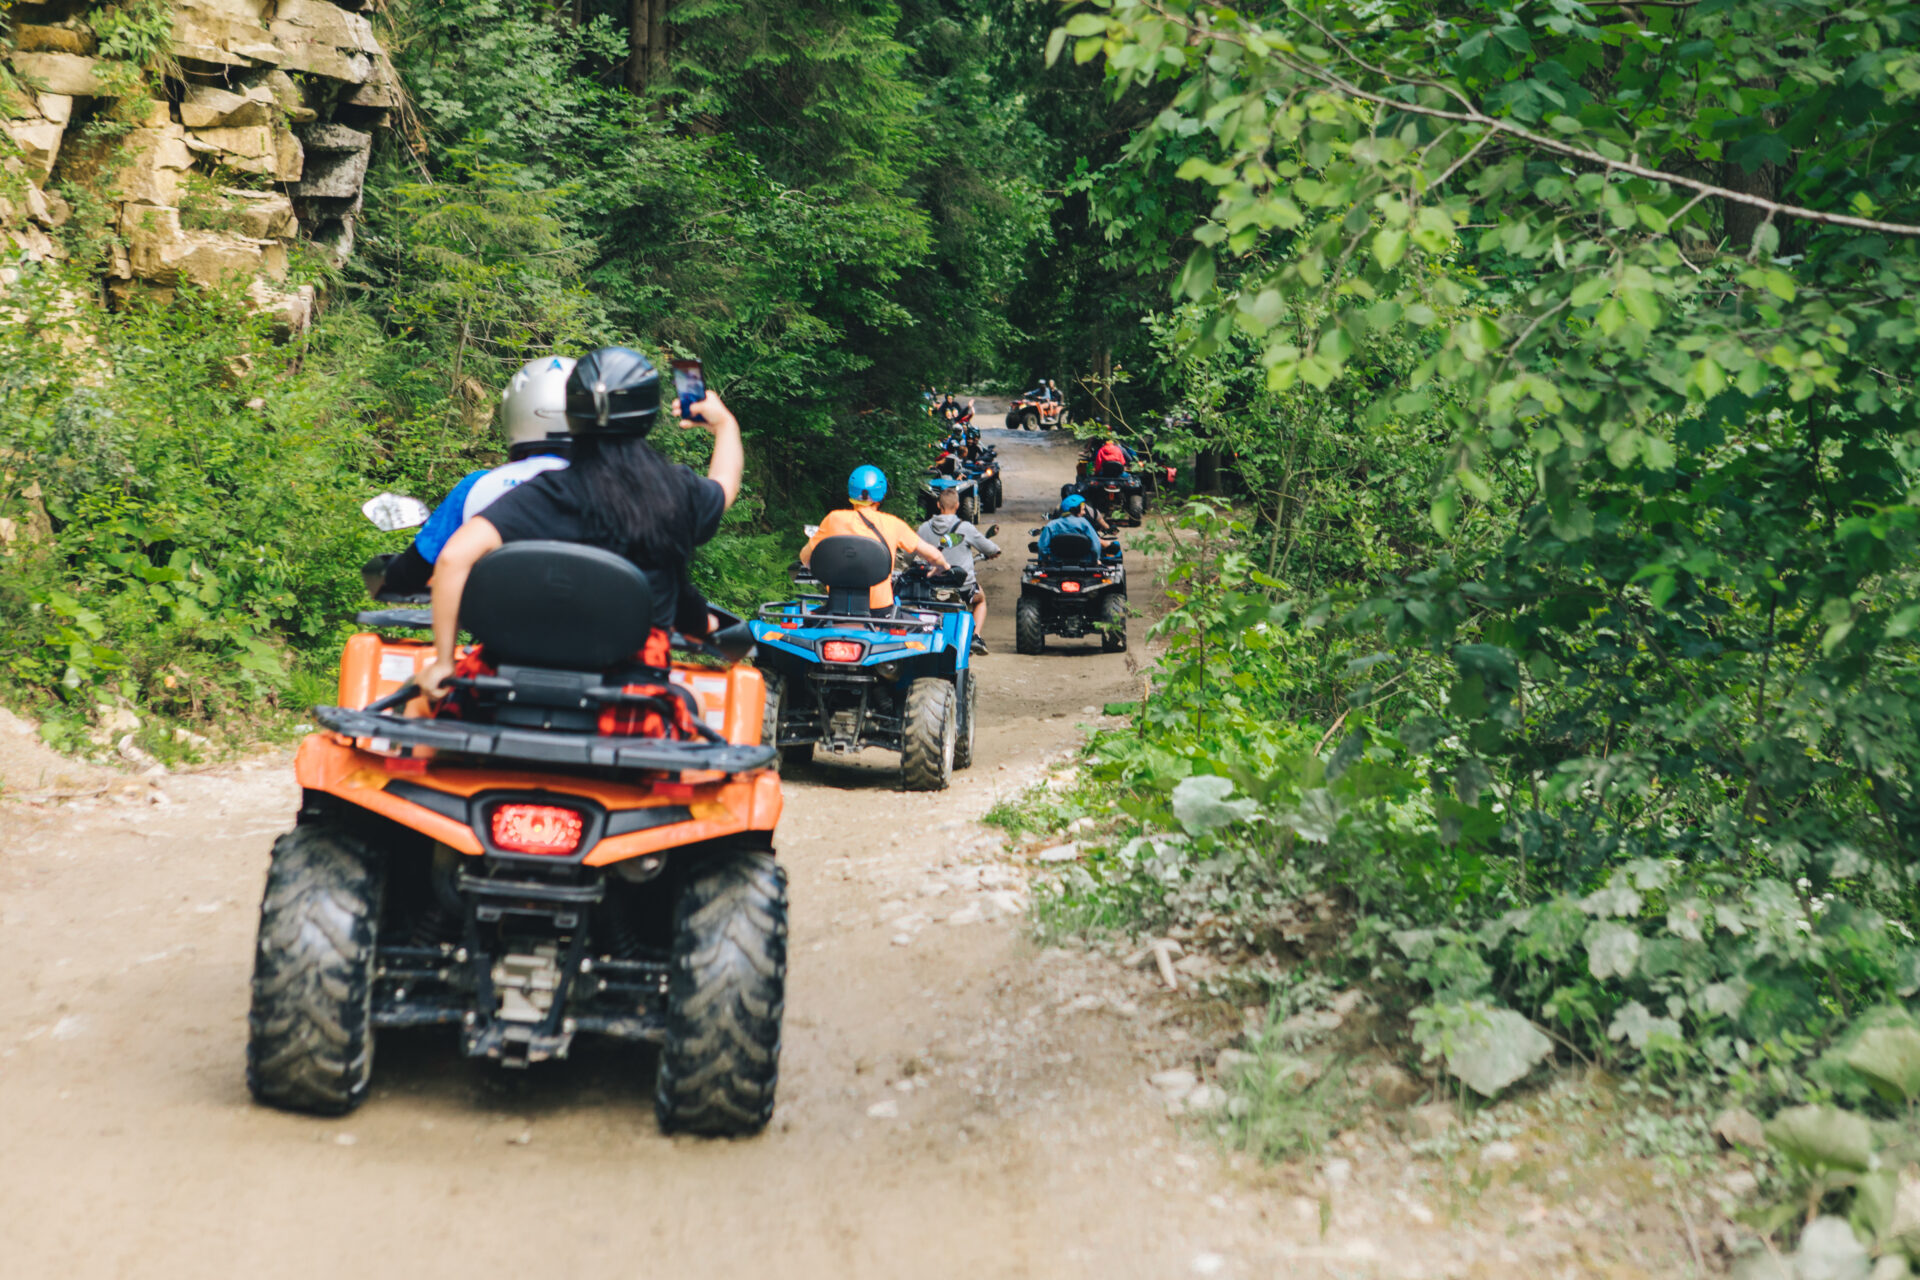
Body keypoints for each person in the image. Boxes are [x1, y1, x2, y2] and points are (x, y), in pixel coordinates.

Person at [417, 346, 743, 701]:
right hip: (631, 698)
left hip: (513, 688)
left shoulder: (543, 492)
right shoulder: (677, 492)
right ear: (648, 417)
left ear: (570, 415)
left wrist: (444, 663)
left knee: (420, 706)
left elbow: (453, 558)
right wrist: (725, 425)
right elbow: (725, 485)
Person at [366, 355, 576, 598]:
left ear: (514, 413)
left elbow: (408, 576)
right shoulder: (615, 489)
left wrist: (388, 573)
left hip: (500, 632)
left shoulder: (477, 487)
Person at [800, 465, 949, 614]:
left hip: (836, 608)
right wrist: (941, 567)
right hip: (880, 611)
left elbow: (805, 557)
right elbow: (935, 556)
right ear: (882, 494)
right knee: (921, 629)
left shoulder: (833, 519)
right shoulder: (893, 523)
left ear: (851, 491)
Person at [917, 485, 999, 654]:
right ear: (957, 505)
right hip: (962, 588)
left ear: (938, 506)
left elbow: (910, 554)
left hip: (930, 586)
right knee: (981, 599)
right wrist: (992, 553)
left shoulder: (924, 528)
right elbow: (992, 549)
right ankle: (975, 636)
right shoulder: (965, 527)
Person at [1040, 495, 1120, 563]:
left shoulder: (1051, 525)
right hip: (1084, 562)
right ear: (1075, 510)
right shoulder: (1084, 523)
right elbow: (1095, 546)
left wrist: (1045, 561)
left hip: (1057, 563)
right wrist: (1095, 560)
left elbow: (1042, 547)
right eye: (1082, 510)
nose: (1084, 512)